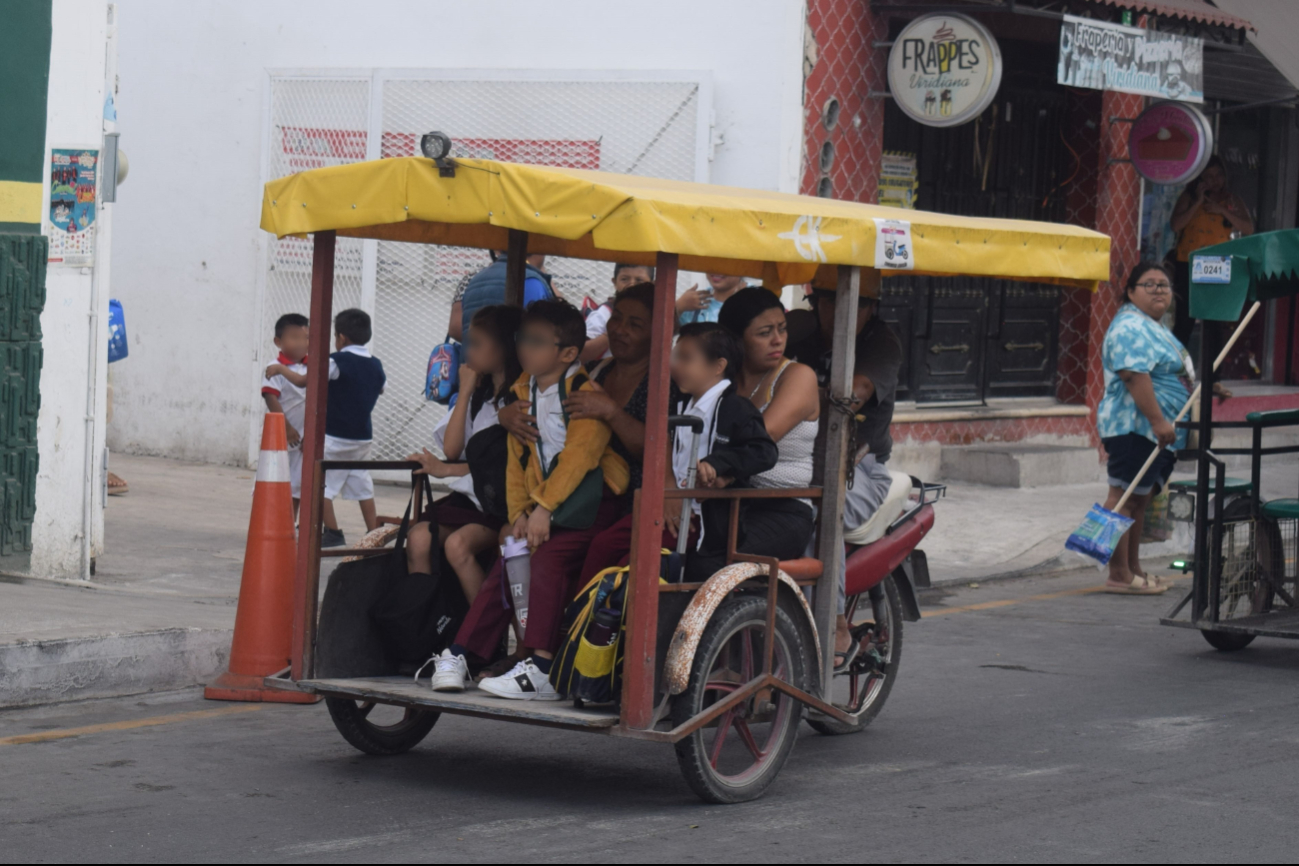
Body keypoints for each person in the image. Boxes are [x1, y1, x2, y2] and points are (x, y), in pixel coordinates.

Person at [426, 300, 630, 700]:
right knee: (513, 554)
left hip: (592, 504)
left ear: (568, 353)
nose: (525, 349)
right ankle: (462, 652)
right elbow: (518, 465)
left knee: (547, 558)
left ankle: (542, 666)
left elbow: (578, 462)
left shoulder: (584, 395)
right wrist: (521, 513)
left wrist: (543, 511)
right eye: (523, 339)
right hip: (546, 504)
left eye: (537, 342)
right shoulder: (524, 392)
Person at [786, 284, 904, 664]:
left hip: (862, 469)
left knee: (818, 511)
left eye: (858, 302)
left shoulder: (881, 342)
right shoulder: (795, 331)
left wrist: (791, 399)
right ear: (816, 302)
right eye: (832, 301)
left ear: (871, 307)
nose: (844, 311)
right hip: (793, 459)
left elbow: (854, 392)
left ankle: (835, 625)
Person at [681, 287, 818, 580]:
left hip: (780, 510)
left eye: (781, 329)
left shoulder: (797, 376)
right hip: (725, 504)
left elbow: (758, 440)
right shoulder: (722, 381)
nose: (778, 339)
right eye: (764, 332)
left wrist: (722, 470)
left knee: (707, 564)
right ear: (736, 339)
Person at [1097, 263, 1203, 595]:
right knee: (1122, 497)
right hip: (1134, 426)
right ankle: (1118, 574)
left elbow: (1166, 371)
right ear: (1130, 292)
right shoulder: (1130, 326)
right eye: (1149, 284)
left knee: (1138, 500)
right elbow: (1133, 374)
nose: (1159, 290)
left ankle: (1133, 570)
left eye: (1165, 285)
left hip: (1151, 430)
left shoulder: (1152, 326)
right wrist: (1158, 420)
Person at [406, 305, 522, 603]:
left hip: (501, 502)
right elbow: (452, 449)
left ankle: (480, 638)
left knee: (457, 545)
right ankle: (422, 627)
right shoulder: (481, 396)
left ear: (504, 347)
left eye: (477, 343)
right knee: (419, 537)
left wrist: (446, 470)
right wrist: (466, 391)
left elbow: (498, 467)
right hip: (473, 499)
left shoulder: (520, 399)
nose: (468, 351)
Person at [671, 323, 779, 582]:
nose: (675, 365)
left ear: (718, 366)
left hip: (706, 521)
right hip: (674, 511)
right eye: (676, 357)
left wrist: (719, 464)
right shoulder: (679, 402)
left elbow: (764, 451)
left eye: (685, 358)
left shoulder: (735, 408)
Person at [271, 308, 386, 547]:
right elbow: (379, 389)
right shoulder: (376, 365)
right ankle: (374, 533)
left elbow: (305, 382)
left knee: (315, 483)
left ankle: (333, 532)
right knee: (361, 482)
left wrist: (281, 369)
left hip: (335, 435)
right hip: (363, 437)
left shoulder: (336, 361)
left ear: (341, 337)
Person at [1170, 156, 1254, 344]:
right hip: (1188, 262)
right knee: (1185, 320)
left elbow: (1248, 228)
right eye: (1208, 176)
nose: (1214, 181)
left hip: (1217, 263)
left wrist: (1222, 210)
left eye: (1218, 175)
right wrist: (1198, 202)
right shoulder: (1189, 197)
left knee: (1214, 323)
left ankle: (1213, 372)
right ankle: (1177, 369)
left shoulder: (1232, 200)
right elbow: (1175, 225)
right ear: (1200, 179)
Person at [261, 313, 310, 516]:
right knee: (275, 478)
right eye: (294, 337)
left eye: (305, 338)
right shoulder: (274, 368)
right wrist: (286, 428)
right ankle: (271, 519)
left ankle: (290, 522)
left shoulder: (311, 367)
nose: (301, 343)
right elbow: (270, 397)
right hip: (283, 436)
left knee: (297, 484)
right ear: (278, 342)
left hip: (304, 438)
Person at [457, 251, 554, 338]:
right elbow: (542, 335)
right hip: (511, 358)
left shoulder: (474, 280)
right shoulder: (532, 282)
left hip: (469, 357)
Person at [580, 263, 654, 363]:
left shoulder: (654, 314)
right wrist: (613, 333)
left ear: (652, 284)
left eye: (639, 280)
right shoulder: (604, 313)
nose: (631, 285)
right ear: (614, 282)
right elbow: (581, 352)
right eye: (624, 279)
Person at [676, 273, 746, 325]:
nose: (716, 269)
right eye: (712, 261)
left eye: (725, 261)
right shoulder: (693, 302)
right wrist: (679, 307)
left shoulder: (753, 298)